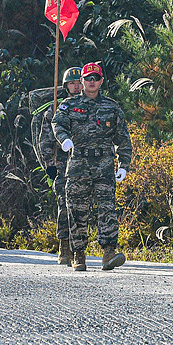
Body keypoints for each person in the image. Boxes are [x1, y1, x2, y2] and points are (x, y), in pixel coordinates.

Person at [51, 62, 133, 271]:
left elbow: (123, 138)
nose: (92, 82)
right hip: (78, 163)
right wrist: (64, 139)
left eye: (95, 78)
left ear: (101, 81)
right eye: (88, 78)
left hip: (104, 164)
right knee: (77, 211)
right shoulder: (69, 105)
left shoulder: (111, 107)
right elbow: (57, 122)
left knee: (107, 209)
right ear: (82, 81)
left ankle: (108, 252)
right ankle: (79, 254)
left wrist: (124, 165)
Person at [38, 67, 83, 264]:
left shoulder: (93, 106)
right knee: (64, 206)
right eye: (72, 83)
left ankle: (79, 248)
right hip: (63, 165)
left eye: (79, 82)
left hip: (86, 164)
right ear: (66, 86)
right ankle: (64, 246)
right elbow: (45, 139)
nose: (76, 86)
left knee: (82, 208)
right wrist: (49, 164)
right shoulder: (56, 109)